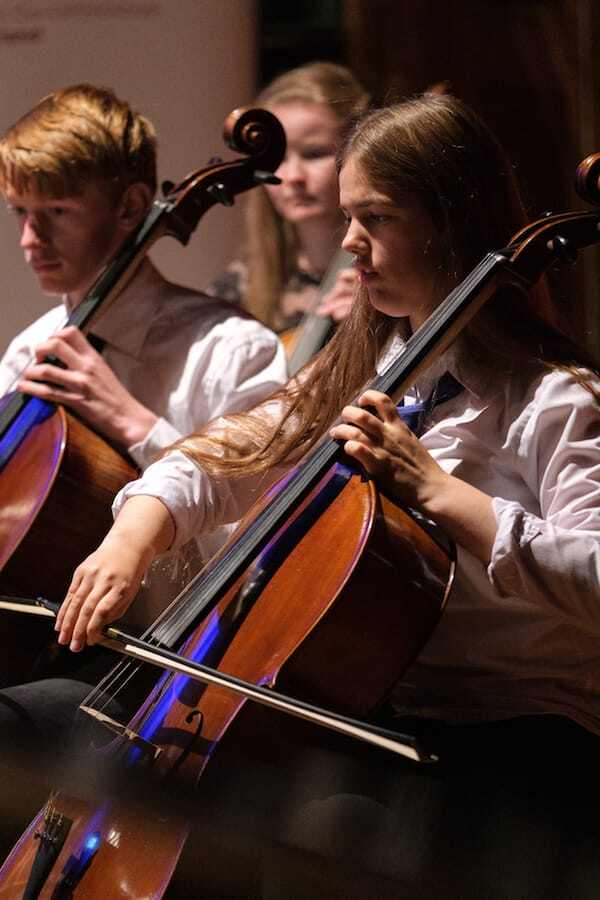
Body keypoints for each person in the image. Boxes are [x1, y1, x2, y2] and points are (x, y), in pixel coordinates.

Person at [32, 94, 600, 897]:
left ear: (449, 221)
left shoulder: (557, 400)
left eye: (377, 217)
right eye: (347, 216)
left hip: (514, 737)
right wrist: (133, 537)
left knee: (321, 838)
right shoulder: (362, 374)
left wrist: (441, 494)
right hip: (369, 719)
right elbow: (225, 452)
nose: (350, 245)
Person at [0, 84, 288, 780]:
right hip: (34, 650)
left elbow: (263, 552)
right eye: (20, 214)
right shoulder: (29, 352)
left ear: (131, 207)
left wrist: (138, 426)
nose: (30, 241)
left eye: (57, 213)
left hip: (158, 675)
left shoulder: (231, 350)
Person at [207, 60, 369, 337]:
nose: (293, 176)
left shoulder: (386, 277)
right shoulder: (238, 289)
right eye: (277, 159)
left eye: (314, 153)